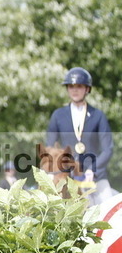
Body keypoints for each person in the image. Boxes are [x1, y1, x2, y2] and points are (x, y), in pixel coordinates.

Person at [46, 67, 117, 205]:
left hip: (94, 177)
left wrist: (93, 170)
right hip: (66, 174)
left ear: (87, 89)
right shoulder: (58, 115)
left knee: (108, 204)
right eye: (71, 86)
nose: (75, 90)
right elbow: (50, 147)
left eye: (79, 86)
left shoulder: (98, 116)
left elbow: (107, 149)